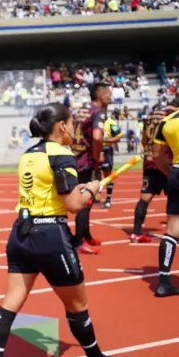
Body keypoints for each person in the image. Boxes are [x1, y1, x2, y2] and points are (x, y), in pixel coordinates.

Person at [0, 103, 135, 357]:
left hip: (21, 233)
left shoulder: (29, 154)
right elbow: (74, 205)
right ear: (61, 126)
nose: (75, 128)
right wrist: (91, 190)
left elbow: (48, 189)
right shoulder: (63, 155)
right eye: (72, 122)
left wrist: (84, 188)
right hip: (50, 236)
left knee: (10, 302)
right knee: (77, 305)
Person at [70, 82, 112, 254]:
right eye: (109, 94)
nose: (111, 97)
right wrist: (97, 156)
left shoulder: (80, 111)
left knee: (87, 200)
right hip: (87, 162)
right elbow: (97, 136)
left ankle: (85, 234)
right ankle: (79, 241)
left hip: (77, 158)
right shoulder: (98, 113)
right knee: (85, 201)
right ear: (101, 96)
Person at [130, 98, 179, 243]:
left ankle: (136, 232)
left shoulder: (150, 116)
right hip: (167, 161)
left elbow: (144, 140)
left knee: (144, 198)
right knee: (175, 198)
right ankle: (174, 234)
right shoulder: (172, 116)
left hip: (150, 161)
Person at [151, 101, 179, 297]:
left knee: (173, 228)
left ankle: (163, 281)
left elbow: (156, 155)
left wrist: (171, 172)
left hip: (178, 172)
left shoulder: (168, 121)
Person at [99, 109, 123, 208]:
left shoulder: (111, 123)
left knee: (107, 175)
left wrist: (106, 140)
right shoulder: (94, 122)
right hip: (95, 150)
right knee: (94, 174)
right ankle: (94, 197)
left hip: (106, 150)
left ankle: (108, 199)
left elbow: (118, 137)